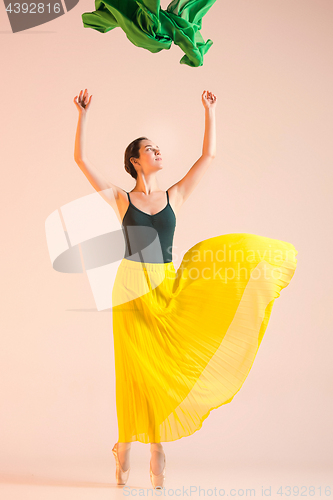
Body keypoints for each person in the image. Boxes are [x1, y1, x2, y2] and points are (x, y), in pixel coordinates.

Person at [73, 89, 298, 489]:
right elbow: (81, 160)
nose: (157, 152)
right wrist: (83, 115)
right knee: (135, 369)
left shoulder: (173, 194)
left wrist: (209, 112)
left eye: (158, 148)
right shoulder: (122, 199)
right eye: (150, 149)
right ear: (134, 160)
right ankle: (127, 442)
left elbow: (207, 157)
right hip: (130, 290)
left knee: (161, 366)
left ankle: (152, 443)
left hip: (166, 283)